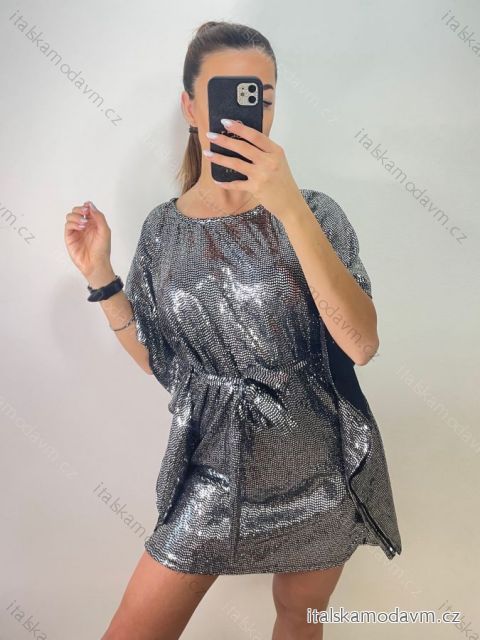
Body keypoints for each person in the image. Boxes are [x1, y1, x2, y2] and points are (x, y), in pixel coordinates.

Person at [64, 20, 402, 640]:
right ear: (191, 107)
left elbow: (361, 344)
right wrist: (103, 279)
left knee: (299, 620)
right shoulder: (162, 231)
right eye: (228, 95)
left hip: (317, 470)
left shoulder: (315, 212)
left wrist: (288, 205)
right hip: (214, 469)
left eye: (262, 97)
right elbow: (168, 366)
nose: (248, 113)